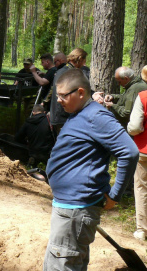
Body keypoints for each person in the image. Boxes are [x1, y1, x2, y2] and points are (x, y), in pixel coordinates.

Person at [43, 68, 138, 270]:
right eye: (57, 95)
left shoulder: (96, 117)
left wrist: (115, 195)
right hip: (69, 207)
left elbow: (129, 152)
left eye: (63, 95)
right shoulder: (79, 112)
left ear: (80, 92)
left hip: (75, 210)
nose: (58, 100)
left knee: (62, 265)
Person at [126, 64, 147, 241]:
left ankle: (142, 230)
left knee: (142, 188)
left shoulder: (143, 97)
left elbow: (133, 127)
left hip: (144, 150)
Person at [49, 48, 88, 132]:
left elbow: (51, 90)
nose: (84, 63)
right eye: (84, 60)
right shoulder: (71, 73)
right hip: (63, 116)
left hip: (57, 115)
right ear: (80, 59)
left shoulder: (61, 70)